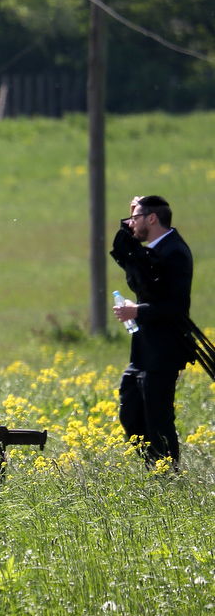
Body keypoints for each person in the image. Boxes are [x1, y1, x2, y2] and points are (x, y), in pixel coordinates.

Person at [110, 195, 194, 468]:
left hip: (165, 348)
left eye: (135, 218)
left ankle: (167, 473)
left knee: (158, 417)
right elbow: (130, 257)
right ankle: (154, 467)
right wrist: (132, 216)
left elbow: (175, 306)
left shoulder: (174, 252)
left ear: (152, 218)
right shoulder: (153, 251)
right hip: (144, 347)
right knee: (130, 413)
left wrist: (138, 311)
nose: (130, 223)